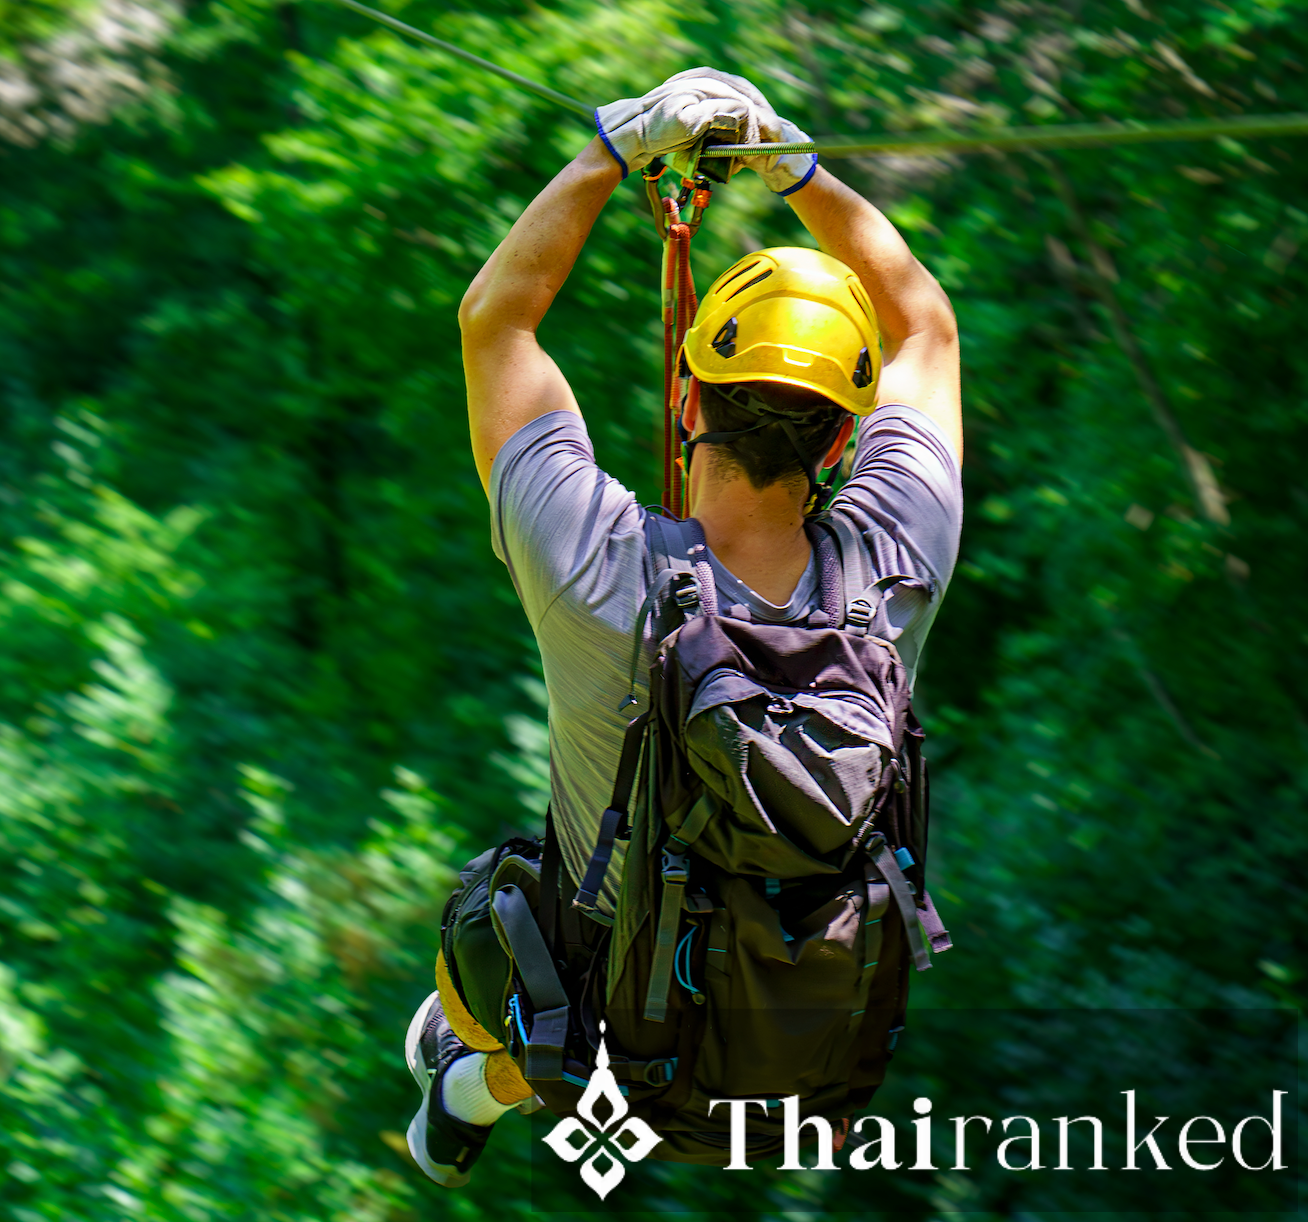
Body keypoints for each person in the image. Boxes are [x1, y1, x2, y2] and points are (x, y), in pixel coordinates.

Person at [402, 68, 964, 1187]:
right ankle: (466, 1090)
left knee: (496, 913)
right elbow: (926, 327)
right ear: (844, 443)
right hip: (806, 1082)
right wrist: (791, 163)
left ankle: (470, 1076)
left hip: (610, 1053)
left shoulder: (597, 565)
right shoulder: (896, 566)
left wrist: (613, 147)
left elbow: (493, 319)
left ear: (684, 393)